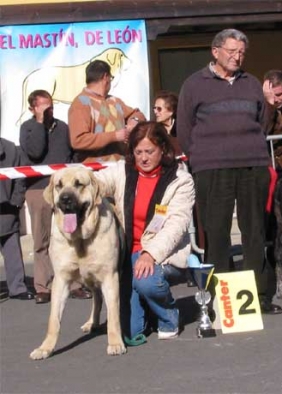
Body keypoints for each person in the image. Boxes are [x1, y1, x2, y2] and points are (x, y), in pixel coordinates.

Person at [177, 28, 282, 314]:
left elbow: (263, 123)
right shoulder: (193, 84)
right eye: (232, 51)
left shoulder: (251, 83)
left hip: (252, 165)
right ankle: (218, 297)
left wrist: (270, 108)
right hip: (212, 169)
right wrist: (201, 158)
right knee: (217, 234)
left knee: (255, 232)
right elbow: (184, 130)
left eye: (242, 52)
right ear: (216, 51)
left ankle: (259, 294)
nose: (238, 57)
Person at [94, 121, 194, 345]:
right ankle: (147, 307)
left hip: (164, 253)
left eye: (149, 151)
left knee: (146, 280)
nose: (143, 158)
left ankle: (169, 317)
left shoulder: (181, 180)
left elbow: (175, 227)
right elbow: (97, 182)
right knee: (130, 331)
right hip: (127, 255)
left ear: (163, 150)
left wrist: (149, 254)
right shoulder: (123, 171)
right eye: (138, 152)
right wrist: (73, 181)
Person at [19, 90, 90, 303]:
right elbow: (35, 152)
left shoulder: (63, 127)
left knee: (71, 235)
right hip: (38, 189)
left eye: (50, 106)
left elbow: (73, 154)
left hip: (64, 190)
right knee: (41, 240)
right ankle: (43, 286)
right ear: (33, 109)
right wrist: (40, 122)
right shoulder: (28, 128)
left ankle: (76, 283)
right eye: (43, 107)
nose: (49, 110)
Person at [68, 60, 145, 163]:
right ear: (105, 77)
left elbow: (137, 114)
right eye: (111, 78)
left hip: (121, 169)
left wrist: (134, 121)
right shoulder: (80, 103)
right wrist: (114, 136)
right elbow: (78, 140)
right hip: (95, 172)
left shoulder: (115, 101)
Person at [0, 138, 33, 301]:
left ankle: (18, 288)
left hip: (7, 208)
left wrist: (16, 202)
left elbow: (21, 177)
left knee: (12, 250)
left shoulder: (10, 148)